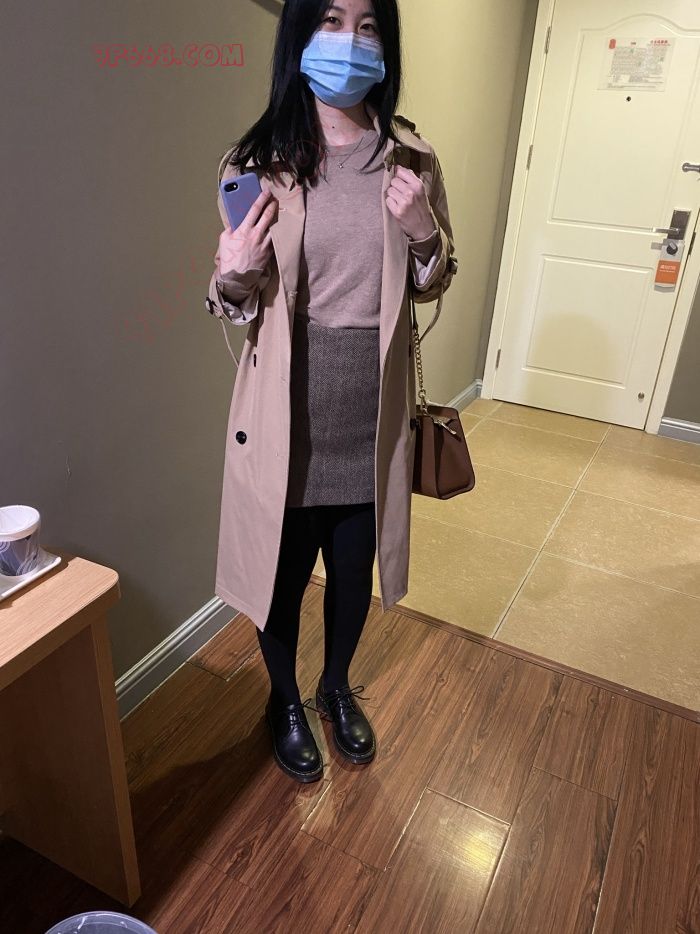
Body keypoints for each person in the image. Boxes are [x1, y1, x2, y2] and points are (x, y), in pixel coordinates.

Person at [205, 0, 457, 783]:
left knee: (352, 575)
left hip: (368, 416)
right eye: (331, 21)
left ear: (386, 45)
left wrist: (423, 231)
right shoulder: (256, 161)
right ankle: (284, 700)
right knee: (278, 581)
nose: (351, 42)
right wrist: (232, 271)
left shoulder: (411, 159)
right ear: (301, 36)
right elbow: (232, 301)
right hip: (285, 415)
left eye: (369, 26)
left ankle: (335, 686)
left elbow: (434, 278)